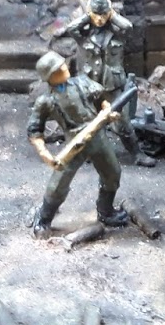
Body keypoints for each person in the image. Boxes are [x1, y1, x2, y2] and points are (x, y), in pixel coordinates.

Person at [25, 50, 129, 237]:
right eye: (58, 69)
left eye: (63, 65)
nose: (65, 68)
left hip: (97, 136)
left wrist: (108, 111)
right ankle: (44, 218)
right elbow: (34, 130)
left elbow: (102, 98)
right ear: (49, 77)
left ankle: (106, 211)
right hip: (74, 143)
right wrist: (45, 154)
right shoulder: (46, 101)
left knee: (112, 173)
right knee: (59, 183)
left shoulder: (82, 82)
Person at [60, 0, 138, 154]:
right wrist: (87, 16)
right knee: (88, 120)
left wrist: (113, 14)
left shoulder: (117, 33)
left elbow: (128, 27)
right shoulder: (84, 35)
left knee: (122, 120)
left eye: (103, 14)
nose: (100, 19)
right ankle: (88, 153)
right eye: (96, 14)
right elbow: (71, 28)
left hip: (111, 83)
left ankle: (136, 153)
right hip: (90, 83)